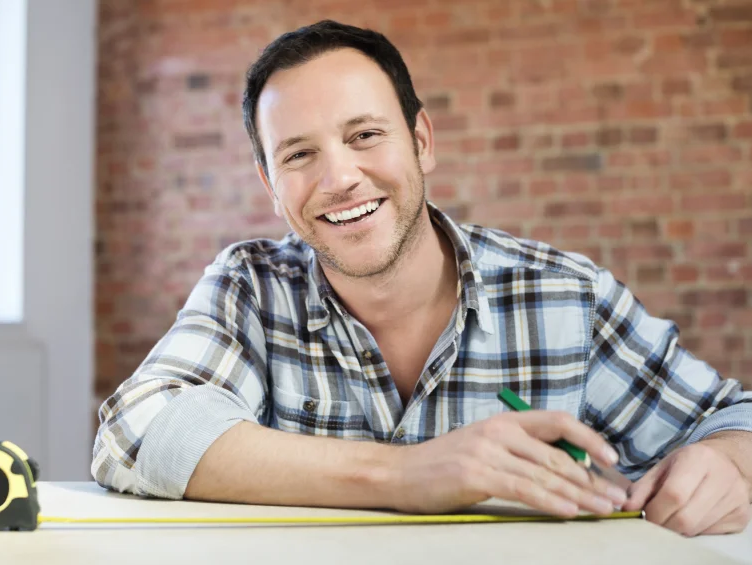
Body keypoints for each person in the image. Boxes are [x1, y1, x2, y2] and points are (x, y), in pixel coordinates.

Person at [92, 20, 752, 537]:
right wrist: (409, 473)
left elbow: (732, 420)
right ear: (270, 184)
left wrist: (726, 464)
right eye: (299, 154)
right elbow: (138, 430)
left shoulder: (564, 296)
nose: (339, 177)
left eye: (364, 135)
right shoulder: (250, 288)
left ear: (422, 141)